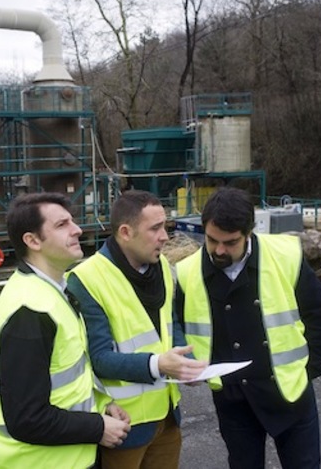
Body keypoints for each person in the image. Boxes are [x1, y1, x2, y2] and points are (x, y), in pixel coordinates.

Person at [174, 186, 321, 469]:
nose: (219, 250)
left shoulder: (285, 256)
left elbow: (320, 314)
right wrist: (187, 363)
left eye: (230, 242)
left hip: (290, 394)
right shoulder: (188, 272)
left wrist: (311, 367)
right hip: (233, 401)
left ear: (249, 232)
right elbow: (177, 327)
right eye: (212, 240)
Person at [0, 192, 131, 469]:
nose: (77, 230)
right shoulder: (31, 311)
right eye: (62, 225)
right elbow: (27, 418)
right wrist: (97, 427)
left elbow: (68, 376)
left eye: (72, 222)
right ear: (33, 240)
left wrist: (101, 405)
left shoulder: (53, 292)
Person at [67, 189, 207, 469]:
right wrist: (159, 365)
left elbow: (170, 325)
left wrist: (186, 365)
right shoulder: (85, 279)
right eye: (155, 228)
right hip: (123, 425)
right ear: (126, 232)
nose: (165, 236)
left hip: (168, 417)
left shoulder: (164, 268)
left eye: (165, 227)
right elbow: (100, 358)